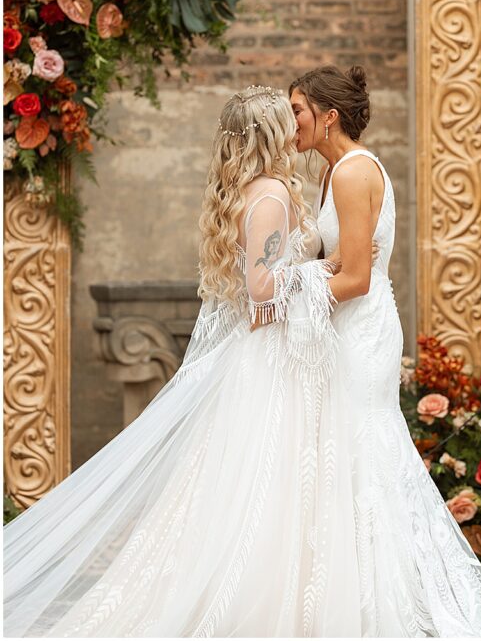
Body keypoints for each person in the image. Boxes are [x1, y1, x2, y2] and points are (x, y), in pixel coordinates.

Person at [3, 85, 361, 636]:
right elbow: (262, 299)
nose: (296, 126)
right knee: (269, 486)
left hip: (268, 358)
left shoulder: (255, 190)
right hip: (270, 363)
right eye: (285, 119)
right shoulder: (268, 197)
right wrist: (324, 269)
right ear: (269, 134)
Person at [289, 65, 481, 637]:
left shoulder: (353, 173)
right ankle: (343, 586)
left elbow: (355, 279)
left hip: (360, 330)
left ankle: (386, 599)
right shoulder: (334, 173)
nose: (290, 121)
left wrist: (283, 300)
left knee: (362, 448)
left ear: (328, 116)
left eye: (298, 109)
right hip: (344, 326)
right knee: (341, 451)